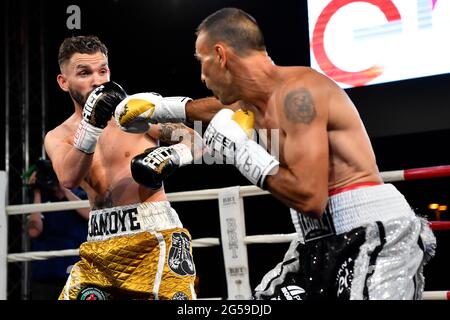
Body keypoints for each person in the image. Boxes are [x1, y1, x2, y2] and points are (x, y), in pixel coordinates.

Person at [192, 8, 437, 300]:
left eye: (201, 61)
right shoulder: (257, 101)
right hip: (317, 243)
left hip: (374, 233)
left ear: (220, 55)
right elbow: (209, 111)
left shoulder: (299, 94)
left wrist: (242, 151)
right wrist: (158, 108)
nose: (202, 76)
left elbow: (310, 198)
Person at [45, 35, 229, 300]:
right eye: (84, 73)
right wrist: (91, 125)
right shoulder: (59, 135)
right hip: (99, 244)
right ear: (64, 82)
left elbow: (195, 140)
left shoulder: (135, 113)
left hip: (154, 236)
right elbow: (69, 177)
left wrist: (172, 156)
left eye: (102, 71)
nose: (97, 81)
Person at [27, 159, 89, 300]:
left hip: (75, 273)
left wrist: (64, 189)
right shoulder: (40, 199)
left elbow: (90, 215)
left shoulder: (80, 195)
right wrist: (37, 191)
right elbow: (34, 231)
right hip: (45, 273)